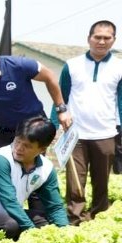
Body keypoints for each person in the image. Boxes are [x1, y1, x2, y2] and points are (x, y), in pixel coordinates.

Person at [50, 20, 122, 225]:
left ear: (113, 40)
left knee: (102, 183)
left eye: (107, 37)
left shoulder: (119, 67)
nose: (101, 41)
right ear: (88, 38)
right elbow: (60, 97)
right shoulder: (72, 65)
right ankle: (75, 220)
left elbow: (121, 101)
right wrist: (53, 125)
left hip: (106, 133)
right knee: (75, 182)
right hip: (75, 134)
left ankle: (98, 219)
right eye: (97, 37)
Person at [0, 116, 69, 240]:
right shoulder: (0, 159)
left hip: (7, 214)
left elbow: (55, 206)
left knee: (47, 223)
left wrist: (65, 234)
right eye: (17, 141)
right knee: (10, 226)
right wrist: (31, 232)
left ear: (42, 149)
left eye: (27, 146)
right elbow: (9, 201)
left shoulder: (46, 168)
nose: (18, 148)